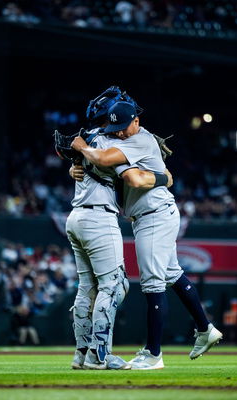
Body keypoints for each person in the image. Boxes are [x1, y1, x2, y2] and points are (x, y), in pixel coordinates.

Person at [71, 101, 223, 370]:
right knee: (171, 274)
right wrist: (77, 167)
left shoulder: (140, 139)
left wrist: (81, 147)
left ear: (137, 121)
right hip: (153, 213)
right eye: (116, 127)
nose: (119, 132)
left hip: (154, 214)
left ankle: (153, 354)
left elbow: (131, 176)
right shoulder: (124, 138)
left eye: (124, 127)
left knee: (152, 284)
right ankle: (205, 328)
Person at [64, 87, 173, 370]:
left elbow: (66, 149)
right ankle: (100, 355)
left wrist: (74, 163)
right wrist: (163, 177)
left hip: (76, 215)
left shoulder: (87, 136)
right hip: (98, 218)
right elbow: (132, 176)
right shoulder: (110, 144)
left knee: (87, 287)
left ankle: (81, 353)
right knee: (115, 285)